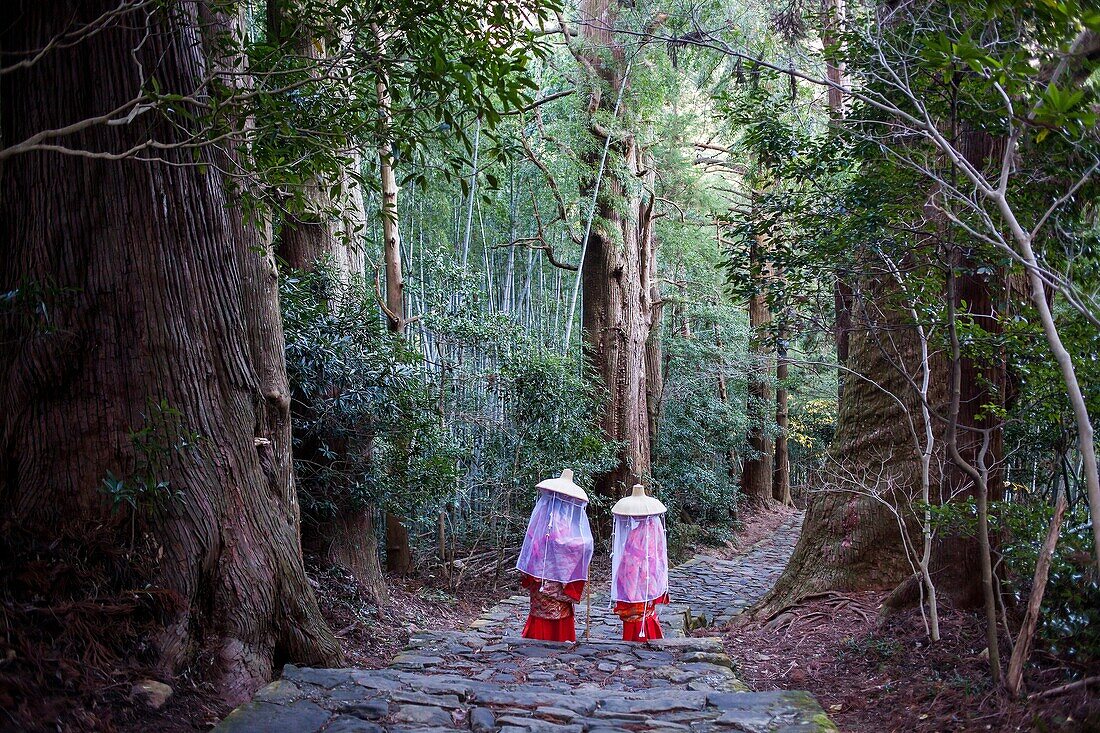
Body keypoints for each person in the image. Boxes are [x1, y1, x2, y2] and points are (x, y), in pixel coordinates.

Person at [515, 469, 593, 642]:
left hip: (544, 571)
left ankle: (545, 638)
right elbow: (563, 542)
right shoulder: (551, 516)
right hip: (546, 572)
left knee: (554, 607)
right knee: (546, 606)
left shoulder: (549, 515)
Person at [610, 484, 669, 641]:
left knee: (639, 607)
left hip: (639, 573)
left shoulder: (643, 531)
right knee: (643, 608)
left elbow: (643, 554)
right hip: (642, 572)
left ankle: (639, 639)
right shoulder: (652, 528)